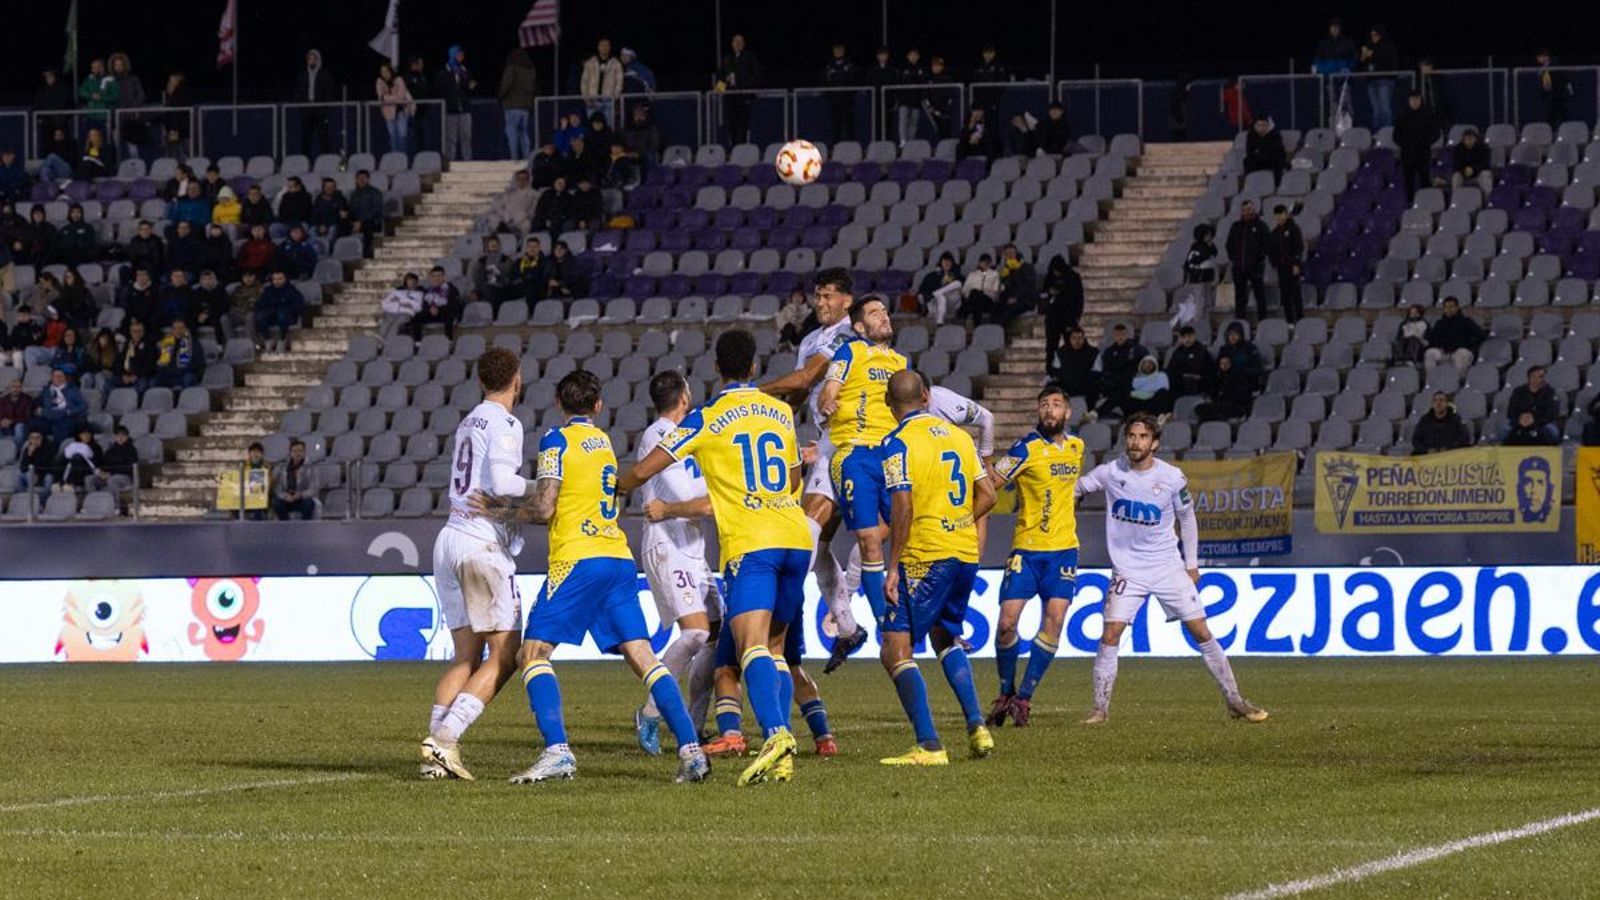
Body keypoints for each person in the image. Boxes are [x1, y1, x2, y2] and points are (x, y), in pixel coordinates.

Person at [464, 369, 710, 786]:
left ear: (558, 403)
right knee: (644, 657)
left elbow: (545, 507)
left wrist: (498, 511)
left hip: (578, 559)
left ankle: (557, 752)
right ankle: (691, 751)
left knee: (532, 654)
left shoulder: (556, 440)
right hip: (617, 559)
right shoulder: (604, 444)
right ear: (598, 406)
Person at [616, 331, 808, 785]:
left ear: (717, 369)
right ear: (755, 367)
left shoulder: (707, 417)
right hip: (795, 536)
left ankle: (776, 734)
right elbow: (794, 478)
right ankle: (782, 756)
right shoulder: (779, 411)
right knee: (775, 649)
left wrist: (614, 485)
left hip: (753, 541)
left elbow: (645, 470)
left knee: (750, 644)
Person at [1077, 414, 1269, 724]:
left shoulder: (1172, 478)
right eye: (1131, 436)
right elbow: (1076, 489)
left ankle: (1234, 700)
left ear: (1154, 443)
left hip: (1166, 566)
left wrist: (1191, 564)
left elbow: (1187, 519)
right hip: (1128, 570)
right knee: (1110, 633)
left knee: (1200, 630)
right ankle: (1100, 709)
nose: (1136, 442)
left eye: (1143, 437)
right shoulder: (1110, 472)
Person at [870, 370, 997, 765]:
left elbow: (903, 506)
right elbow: (989, 494)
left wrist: (893, 566)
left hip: (926, 555)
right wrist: (959, 522)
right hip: (964, 554)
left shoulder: (896, 443)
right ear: (926, 396)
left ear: (889, 404)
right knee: (945, 636)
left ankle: (929, 745)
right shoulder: (960, 437)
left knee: (894, 650)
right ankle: (977, 727)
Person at [415, 348, 531, 781]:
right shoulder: (505, 423)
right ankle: (445, 739)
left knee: (466, 656)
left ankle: (434, 758)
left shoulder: (469, 421)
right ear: (516, 380)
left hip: (449, 537)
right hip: (480, 543)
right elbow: (502, 482)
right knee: (507, 654)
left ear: (481, 381)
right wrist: (544, 485)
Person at [754, 270, 871, 667]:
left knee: (805, 531)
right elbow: (800, 393)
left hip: (849, 439)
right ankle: (848, 628)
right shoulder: (808, 340)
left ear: (846, 301)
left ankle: (777, 610)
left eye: (827, 296)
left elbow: (806, 377)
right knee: (818, 545)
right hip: (826, 440)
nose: (820, 303)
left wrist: (750, 393)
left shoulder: (847, 336)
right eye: (818, 296)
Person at [628, 371, 725, 756]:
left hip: (692, 547)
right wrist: (721, 493)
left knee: (716, 635)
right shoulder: (660, 435)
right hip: (666, 544)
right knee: (696, 633)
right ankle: (651, 713)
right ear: (684, 397)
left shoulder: (688, 434)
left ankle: (694, 724)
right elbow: (687, 495)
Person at [986, 386, 1085, 727]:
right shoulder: (1025, 448)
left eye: (1056, 404)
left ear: (1067, 413)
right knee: (1006, 624)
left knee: (1054, 619)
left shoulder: (1077, 447)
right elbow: (992, 482)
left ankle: (1024, 698)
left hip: (1064, 550)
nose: (1049, 409)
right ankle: (1005, 692)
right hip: (1026, 550)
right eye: (1044, 404)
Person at [817, 296, 910, 638]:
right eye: (874, 312)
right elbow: (829, 389)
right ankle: (887, 626)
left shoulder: (901, 362)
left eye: (885, 310)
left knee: (906, 534)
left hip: (892, 455)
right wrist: (827, 400)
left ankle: (914, 614)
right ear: (858, 326)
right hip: (856, 453)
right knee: (870, 539)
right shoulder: (850, 352)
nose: (884, 316)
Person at [1225, 201, 1271, 321]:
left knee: (1259, 295)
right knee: (1240, 296)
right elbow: (1229, 244)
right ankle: (1240, 321)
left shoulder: (1261, 226)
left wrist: (1259, 258)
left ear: (1253, 209)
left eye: (1249, 209)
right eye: (1245, 210)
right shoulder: (1236, 226)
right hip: (1239, 267)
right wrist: (1234, 258)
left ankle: (1263, 320)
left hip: (1256, 267)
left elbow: (1267, 244)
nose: (1247, 212)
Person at [715, 34, 763, 146]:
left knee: (743, 123)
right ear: (732, 44)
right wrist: (720, 89)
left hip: (744, 96)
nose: (738, 44)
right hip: (730, 97)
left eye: (740, 42)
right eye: (736, 42)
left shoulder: (749, 58)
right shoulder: (727, 58)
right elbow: (721, 75)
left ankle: (743, 147)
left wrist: (746, 86)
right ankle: (733, 147)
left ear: (743, 44)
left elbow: (757, 75)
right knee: (731, 123)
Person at [1093, 323, 1147, 419]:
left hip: (1132, 382)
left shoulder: (1136, 349)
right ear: (1114, 336)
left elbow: (1146, 363)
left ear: (1126, 335)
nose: (1120, 337)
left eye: (1122, 334)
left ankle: (1097, 413)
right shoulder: (1109, 352)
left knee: (1121, 394)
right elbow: (1106, 371)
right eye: (1117, 335)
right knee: (1119, 393)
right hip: (1115, 384)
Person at [1394, 92, 1439, 199]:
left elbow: (1436, 133)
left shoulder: (1427, 115)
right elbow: (1396, 136)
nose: (1415, 102)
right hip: (1407, 154)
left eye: (1417, 99)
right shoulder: (1402, 116)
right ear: (1409, 100)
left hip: (1423, 154)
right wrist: (1405, 144)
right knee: (1408, 180)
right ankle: (1410, 202)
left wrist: (1425, 143)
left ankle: (1425, 201)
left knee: (1424, 179)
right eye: (1413, 99)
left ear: (1420, 100)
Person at [292, 50, 336, 159]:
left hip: (320, 110)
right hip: (306, 110)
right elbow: (297, 92)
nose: (311, 61)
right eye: (309, 59)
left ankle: (327, 159)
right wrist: (302, 108)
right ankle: (305, 160)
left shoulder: (324, 75)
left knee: (324, 137)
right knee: (306, 138)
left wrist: (324, 108)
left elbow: (329, 92)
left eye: (314, 59)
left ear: (318, 60)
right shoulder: (302, 76)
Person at [436, 45, 477, 162]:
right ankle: (450, 162)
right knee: (451, 139)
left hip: (465, 110)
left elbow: (472, 86)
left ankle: (467, 161)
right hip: (450, 111)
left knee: (466, 138)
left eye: (462, 55)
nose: (462, 57)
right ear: (453, 55)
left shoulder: (464, 71)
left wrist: (469, 82)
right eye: (459, 55)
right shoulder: (443, 73)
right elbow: (439, 89)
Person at [1423, 296, 1484, 371]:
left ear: (1457, 307)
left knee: (1461, 354)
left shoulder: (1466, 322)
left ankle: (1460, 378)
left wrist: (1468, 345)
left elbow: (1480, 335)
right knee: (1430, 353)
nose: (1449, 310)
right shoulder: (1440, 323)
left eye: (1451, 307)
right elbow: (1432, 338)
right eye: (1446, 307)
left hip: (1461, 351)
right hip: (1444, 352)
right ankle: (1431, 377)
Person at [1503, 366, 1560, 446]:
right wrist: (1520, 418)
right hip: (1520, 422)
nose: (1536, 379)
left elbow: (1553, 413)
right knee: (1504, 431)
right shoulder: (1518, 391)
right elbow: (1511, 411)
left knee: (1553, 432)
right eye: (1533, 376)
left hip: (1542, 423)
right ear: (1528, 377)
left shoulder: (1550, 392)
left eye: (1540, 377)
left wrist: (1535, 419)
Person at [499, 49, 538, 161]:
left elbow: (506, 85)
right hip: (525, 106)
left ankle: (514, 157)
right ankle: (526, 157)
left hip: (512, 105)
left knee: (512, 132)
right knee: (524, 133)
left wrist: (500, 96)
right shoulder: (531, 70)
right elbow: (533, 87)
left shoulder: (512, 69)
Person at [1269, 205, 1306, 322]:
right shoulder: (1274, 233)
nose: (1279, 217)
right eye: (1277, 215)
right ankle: (1289, 321)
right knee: (1285, 296)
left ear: (1286, 214)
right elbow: (1272, 250)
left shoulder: (1294, 229)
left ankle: (1300, 319)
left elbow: (1299, 247)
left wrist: (1296, 263)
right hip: (1282, 268)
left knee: (1295, 294)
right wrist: (1274, 262)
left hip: (1292, 267)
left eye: (1281, 214)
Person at [108, 53, 148, 159]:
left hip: (130, 118)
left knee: (132, 146)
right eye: (116, 65)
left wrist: (133, 107)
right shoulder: (108, 81)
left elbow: (141, 95)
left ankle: (136, 165)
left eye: (120, 65)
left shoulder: (133, 79)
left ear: (125, 65)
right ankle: (118, 165)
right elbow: (104, 97)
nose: (118, 67)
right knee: (116, 144)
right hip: (114, 118)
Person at [1360, 26, 1399, 130]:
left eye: (1376, 35)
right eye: (1372, 35)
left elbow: (1389, 61)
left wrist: (1373, 54)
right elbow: (1362, 64)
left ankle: (1387, 132)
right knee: (1376, 111)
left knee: (1385, 109)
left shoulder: (1388, 46)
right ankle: (1377, 133)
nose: (1374, 37)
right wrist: (1363, 56)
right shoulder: (1369, 46)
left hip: (1385, 80)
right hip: (1372, 81)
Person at [255, 269, 303, 352]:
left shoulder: (292, 291)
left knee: (282, 315)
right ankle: (268, 340)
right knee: (260, 316)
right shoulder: (268, 291)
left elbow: (298, 306)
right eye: (275, 279)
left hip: (287, 316)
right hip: (271, 315)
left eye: (280, 279)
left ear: (285, 279)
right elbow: (260, 304)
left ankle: (282, 339)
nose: (277, 281)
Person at [580, 38, 624, 129]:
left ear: (610, 47)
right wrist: (586, 97)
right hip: (593, 100)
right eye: (602, 45)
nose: (604, 48)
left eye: (607, 45)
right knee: (592, 127)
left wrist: (615, 97)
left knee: (608, 126)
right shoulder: (590, 62)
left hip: (608, 100)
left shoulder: (616, 63)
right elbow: (584, 81)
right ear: (598, 47)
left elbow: (619, 81)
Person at [36, 368, 88, 444]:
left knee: (60, 426)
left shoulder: (73, 390)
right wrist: (38, 409)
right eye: (55, 376)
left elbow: (83, 406)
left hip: (65, 417)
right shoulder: (46, 390)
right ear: (51, 378)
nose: (58, 378)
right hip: (49, 417)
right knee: (34, 424)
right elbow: (37, 403)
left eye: (60, 376)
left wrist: (69, 412)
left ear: (65, 378)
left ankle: (58, 449)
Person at [409, 266, 461, 340]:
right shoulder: (429, 290)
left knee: (449, 317)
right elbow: (424, 303)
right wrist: (429, 309)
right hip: (431, 313)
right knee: (416, 317)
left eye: (439, 276)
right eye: (434, 276)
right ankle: (417, 342)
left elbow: (453, 305)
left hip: (445, 313)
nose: (436, 278)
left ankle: (448, 340)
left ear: (444, 277)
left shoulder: (451, 289)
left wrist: (439, 310)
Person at [271, 439, 318, 520]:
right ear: (290, 453)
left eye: (300, 451)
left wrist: (300, 495)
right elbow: (277, 487)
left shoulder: (311, 467)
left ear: (304, 452)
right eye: (294, 451)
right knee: (277, 503)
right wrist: (285, 496)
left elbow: (314, 488)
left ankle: (305, 526)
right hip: (287, 498)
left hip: (302, 498)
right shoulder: (282, 467)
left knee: (309, 503)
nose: (297, 453)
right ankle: (285, 525)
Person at [375, 62, 415, 155]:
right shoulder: (379, 82)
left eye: (386, 71)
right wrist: (389, 98)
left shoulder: (399, 80)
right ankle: (395, 157)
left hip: (401, 111)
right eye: (382, 72)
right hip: (388, 113)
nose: (384, 74)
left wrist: (385, 97)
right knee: (392, 137)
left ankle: (402, 157)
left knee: (402, 136)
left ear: (391, 71)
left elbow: (400, 97)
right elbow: (380, 97)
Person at [155, 318, 205, 389]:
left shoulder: (194, 344)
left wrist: (178, 371)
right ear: (172, 330)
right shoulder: (167, 343)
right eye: (175, 328)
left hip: (185, 374)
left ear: (185, 329)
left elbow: (196, 364)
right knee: (155, 381)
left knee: (188, 378)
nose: (178, 331)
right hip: (170, 376)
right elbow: (161, 365)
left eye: (180, 328)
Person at [822, 43, 858, 143]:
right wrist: (830, 98)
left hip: (847, 102)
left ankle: (851, 147)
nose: (838, 52)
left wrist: (850, 96)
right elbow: (824, 84)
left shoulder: (850, 66)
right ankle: (835, 147)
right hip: (834, 103)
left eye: (840, 50)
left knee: (849, 127)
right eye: (836, 50)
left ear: (843, 51)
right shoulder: (829, 67)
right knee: (835, 127)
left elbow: (854, 82)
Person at [994, 244, 1038, 326]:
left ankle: (999, 329)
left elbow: (1028, 287)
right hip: (1010, 299)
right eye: (1006, 254)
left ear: (1016, 253)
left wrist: (1016, 298)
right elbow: (1005, 287)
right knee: (995, 308)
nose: (1009, 256)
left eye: (1011, 253)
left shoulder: (1026, 267)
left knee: (1007, 312)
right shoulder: (1006, 270)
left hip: (1025, 299)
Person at [113, 318, 159, 395]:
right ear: (130, 332)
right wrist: (123, 376)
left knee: (142, 383)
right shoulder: (126, 345)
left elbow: (150, 365)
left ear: (143, 332)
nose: (137, 334)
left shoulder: (149, 345)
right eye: (134, 331)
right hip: (125, 376)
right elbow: (118, 363)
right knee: (109, 381)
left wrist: (135, 376)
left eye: (139, 331)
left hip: (141, 376)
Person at [1054, 327, 1100, 402]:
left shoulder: (1093, 352)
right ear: (1070, 339)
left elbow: (1097, 371)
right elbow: (1057, 370)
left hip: (1086, 385)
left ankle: (1090, 409)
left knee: (1096, 386)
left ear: (1084, 339)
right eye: (1074, 338)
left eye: (1080, 338)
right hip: (1067, 384)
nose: (1077, 341)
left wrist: (1081, 378)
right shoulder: (1061, 352)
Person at [895, 48, 929, 146]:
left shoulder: (921, 69)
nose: (913, 57)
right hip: (904, 100)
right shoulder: (902, 68)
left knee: (913, 122)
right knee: (903, 120)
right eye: (911, 55)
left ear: (918, 57)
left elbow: (923, 82)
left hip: (916, 100)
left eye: (915, 55)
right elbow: (899, 83)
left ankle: (910, 142)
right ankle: (903, 141)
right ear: (908, 57)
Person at [1166, 326, 1213, 398]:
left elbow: (1209, 369)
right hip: (1181, 382)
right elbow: (1172, 368)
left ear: (1194, 336)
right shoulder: (1178, 352)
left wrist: (1200, 377)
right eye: (1184, 337)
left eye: (1189, 336)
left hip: (1198, 382)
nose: (1187, 339)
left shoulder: (1202, 350)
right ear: (1181, 338)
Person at [918, 251, 963, 324]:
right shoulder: (932, 276)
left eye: (949, 261)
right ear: (941, 262)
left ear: (952, 263)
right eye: (944, 261)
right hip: (935, 304)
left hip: (951, 304)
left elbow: (962, 291)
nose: (947, 263)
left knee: (957, 284)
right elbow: (923, 290)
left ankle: (938, 294)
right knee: (941, 298)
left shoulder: (958, 276)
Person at [348, 170, 385, 254]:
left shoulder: (376, 193)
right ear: (356, 180)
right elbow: (352, 210)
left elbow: (376, 211)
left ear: (368, 179)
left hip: (372, 221)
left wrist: (361, 221)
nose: (361, 180)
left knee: (368, 225)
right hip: (357, 222)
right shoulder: (354, 194)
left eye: (363, 178)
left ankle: (366, 252)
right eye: (359, 178)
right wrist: (353, 221)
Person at [380, 272, 425, 338]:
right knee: (388, 320)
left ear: (416, 282)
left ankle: (389, 340)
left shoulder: (419, 294)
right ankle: (381, 338)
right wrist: (400, 303)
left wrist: (408, 302)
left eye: (413, 281)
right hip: (393, 311)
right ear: (406, 281)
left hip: (406, 313)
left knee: (398, 322)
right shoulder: (397, 292)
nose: (411, 283)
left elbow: (419, 307)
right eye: (409, 280)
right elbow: (385, 303)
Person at [192, 269, 232, 342]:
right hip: (201, 316)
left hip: (215, 315)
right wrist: (199, 315)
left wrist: (208, 314)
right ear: (201, 281)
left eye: (210, 279)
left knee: (219, 320)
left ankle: (220, 344)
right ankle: (193, 343)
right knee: (190, 320)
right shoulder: (197, 292)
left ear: (215, 280)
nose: (207, 281)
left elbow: (224, 307)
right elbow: (193, 306)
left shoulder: (221, 290)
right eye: (204, 279)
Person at [959, 253, 1000, 324]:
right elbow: (965, 290)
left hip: (987, 300)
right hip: (973, 298)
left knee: (976, 294)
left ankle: (964, 313)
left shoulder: (994, 274)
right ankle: (976, 322)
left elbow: (995, 290)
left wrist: (983, 291)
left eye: (987, 262)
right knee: (975, 294)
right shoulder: (972, 274)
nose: (985, 264)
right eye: (983, 262)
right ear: (979, 263)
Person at [404, 56, 433, 153]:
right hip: (413, 112)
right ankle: (414, 156)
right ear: (413, 65)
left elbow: (426, 91)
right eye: (418, 64)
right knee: (414, 135)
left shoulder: (423, 76)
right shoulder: (408, 77)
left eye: (421, 64)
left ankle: (423, 155)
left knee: (424, 135)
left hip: (424, 111)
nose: (420, 66)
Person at [1535, 50, 1572, 126]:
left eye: (1539, 57)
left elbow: (1563, 78)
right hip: (1552, 96)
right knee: (1555, 115)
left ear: (1545, 57)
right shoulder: (1544, 68)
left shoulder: (1555, 64)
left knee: (1560, 115)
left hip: (1560, 95)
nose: (1538, 59)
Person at [160, 72, 193, 157]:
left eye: (170, 82)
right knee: (174, 152)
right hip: (175, 130)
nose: (168, 84)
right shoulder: (171, 98)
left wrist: (173, 131)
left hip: (176, 131)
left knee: (176, 153)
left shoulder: (179, 98)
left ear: (177, 84)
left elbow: (174, 116)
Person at [1451, 128, 1493, 193]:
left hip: (1478, 173)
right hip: (1463, 174)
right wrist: (1463, 170)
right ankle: (1455, 196)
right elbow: (1456, 165)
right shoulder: (1458, 149)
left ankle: (1488, 197)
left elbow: (1486, 164)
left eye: (1471, 139)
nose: (1469, 141)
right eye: (1466, 139)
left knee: (1486, 174)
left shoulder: (1483, 148)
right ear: (1463, 140)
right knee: (1456, 176)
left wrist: (1474, 169)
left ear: (1475, 139)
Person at [17, 430, 57, 495]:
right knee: (19, 475)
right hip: (30, 476)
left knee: (49, 478)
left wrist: (38, 475)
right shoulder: (27, 449)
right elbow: (23, 468)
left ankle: (44, 499)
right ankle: (22, 497)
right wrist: (29, 455)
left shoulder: (48, 449)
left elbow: (50, 467)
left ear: (42, 438)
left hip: (43, 475)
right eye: (32, 438)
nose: (34, 440)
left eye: (37, 438)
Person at [621, 104, 661, 168]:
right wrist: (628, 152)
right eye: (636, 114)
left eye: (641, 114)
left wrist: (640, 153)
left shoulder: (650, 127)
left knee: (649, 157)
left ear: (645, 115)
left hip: (645, 153)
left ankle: (648, 174)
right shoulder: (628, 127)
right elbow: (625, 142)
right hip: (631, 152)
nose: (639, 116)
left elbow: (654, 145)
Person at [1, 380, 36, 447]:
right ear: (9, 388)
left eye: (18, 387)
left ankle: (18, 449)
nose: (15, 389)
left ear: (21, 388)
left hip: (21, 424)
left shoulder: (27, 399)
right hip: (6, 426)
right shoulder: (3, 400)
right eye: (13, 386)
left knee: (19, 427)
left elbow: (27, 417)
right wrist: (2, 421)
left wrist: (12, 421)